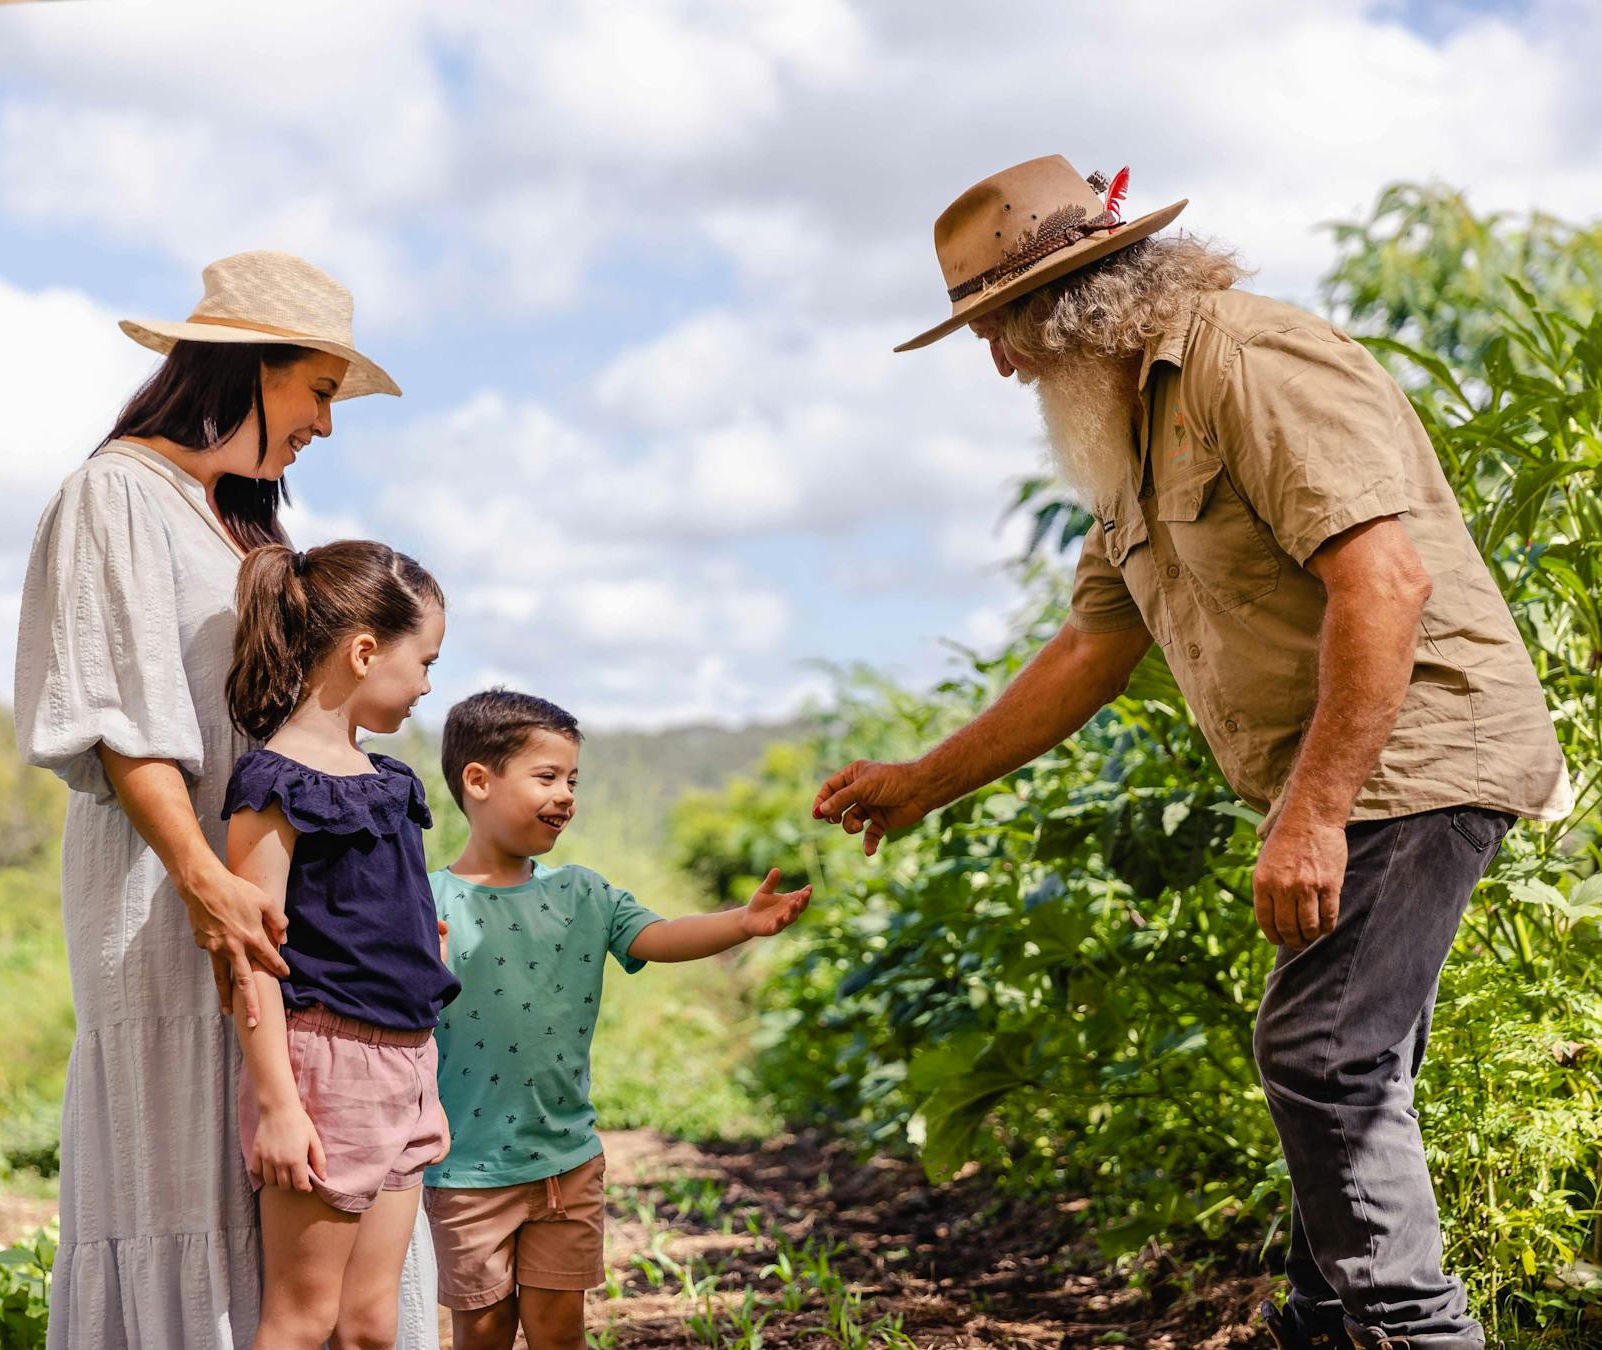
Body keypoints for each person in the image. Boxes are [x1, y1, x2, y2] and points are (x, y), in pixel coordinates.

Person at [815, 156, 1571, 1350]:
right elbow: (1092, 646)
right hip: (1355, 770)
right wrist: (922, 783)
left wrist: (1315, 812)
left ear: (1067, 309)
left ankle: (1414, 1334)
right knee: (1347, 1060)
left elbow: (1385, 579)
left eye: (1001, 333)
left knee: (1321, 1049)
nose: (1004, 365)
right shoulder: (1128, 424)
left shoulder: (1249, 362)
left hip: (1421, 752)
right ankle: (1325, 1321)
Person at [14, 250, 439, 1347]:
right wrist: (201, 877)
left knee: (303, 1206)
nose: (326, 427)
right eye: (319, 391)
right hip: (172, 903)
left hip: (275, 916)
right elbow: (117, 724)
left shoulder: (240, 523)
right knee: (189, 1170)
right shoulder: (115, 495)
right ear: (250, 368)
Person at [424, 690, 811, 1350]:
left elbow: (659, 936)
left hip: (566, 1163)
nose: (567, 794)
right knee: (481, 1334)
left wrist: (741, 924)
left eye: (573, 779)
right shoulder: (429, 900)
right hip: (468, 1169)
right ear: (478, 781)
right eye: (546, 777)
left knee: (559, 1332)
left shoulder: (583, 893)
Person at [221, 540, 457, 1350]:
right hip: (329, 1071)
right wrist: (280, 1109)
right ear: (364, 651)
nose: (428, 683)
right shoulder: (272, 785)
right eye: (423, 661)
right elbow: (249, 954)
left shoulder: (391, 782)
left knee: (370, 1326)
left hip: (408, 1063)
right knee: (301, 1319)